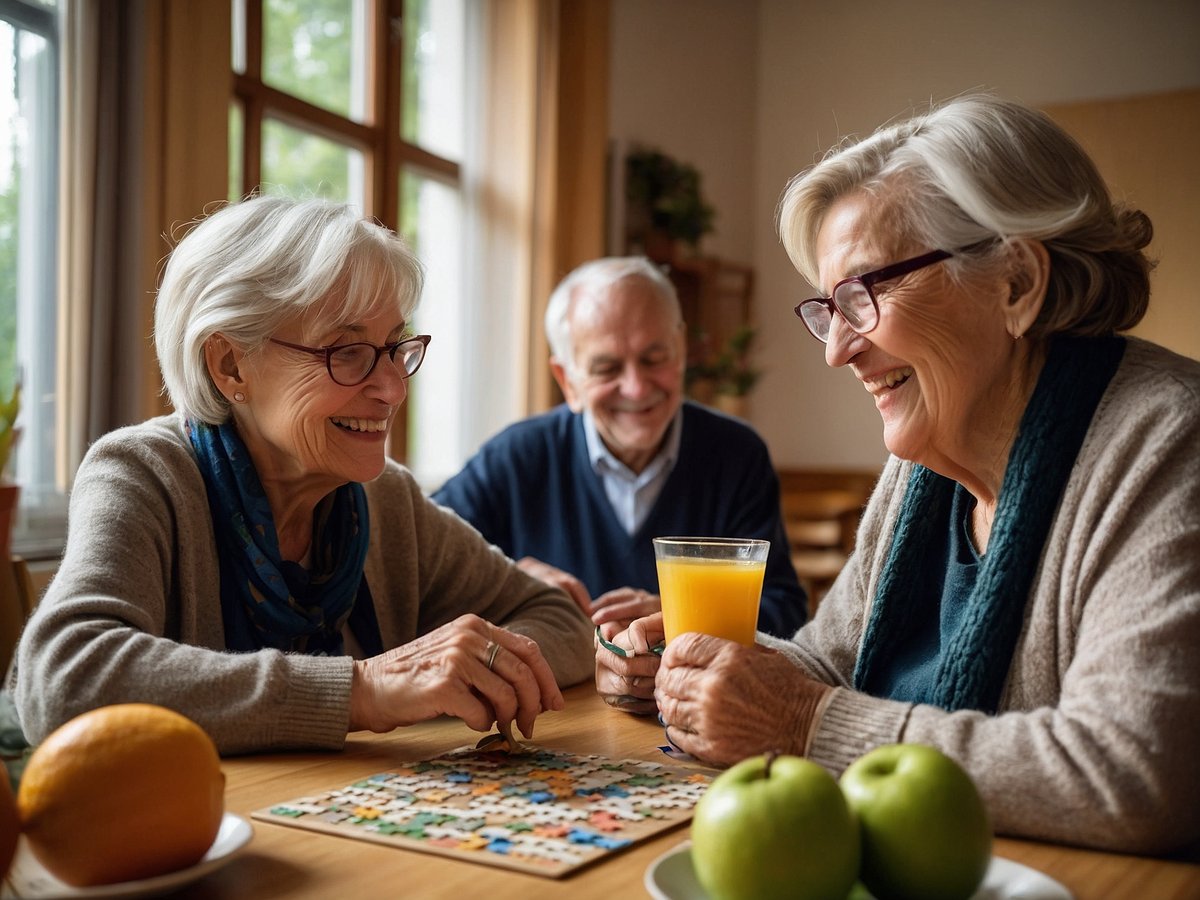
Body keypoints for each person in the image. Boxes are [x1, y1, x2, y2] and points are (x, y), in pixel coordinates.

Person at [596, 94, 1200, 854]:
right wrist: (702, 667)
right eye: (828, 307)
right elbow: (827, 661)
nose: (836, 349)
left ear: (1016, 283)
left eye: (864, 294)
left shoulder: (1168, 440)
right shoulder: (924, 469)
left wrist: (807, 725)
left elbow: (1137, 775)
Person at [12, 196, 593, 755]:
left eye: (395, 348)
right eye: (346, 352)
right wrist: (365, 690)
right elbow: (65, 679)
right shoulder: (145, 474)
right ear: (230, 364)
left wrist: (472, 667)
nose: (392, 388)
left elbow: (560, 620)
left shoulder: (384, 498)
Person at [433, 256, 806, 640]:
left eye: (654, 358)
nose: (636, 388)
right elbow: (427, 571)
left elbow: (784, 610)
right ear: (568, 380)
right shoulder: (515, 457)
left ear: (680, 350)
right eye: (607, 368)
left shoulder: (737, 455)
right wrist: (504, 581)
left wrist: (684, 617)